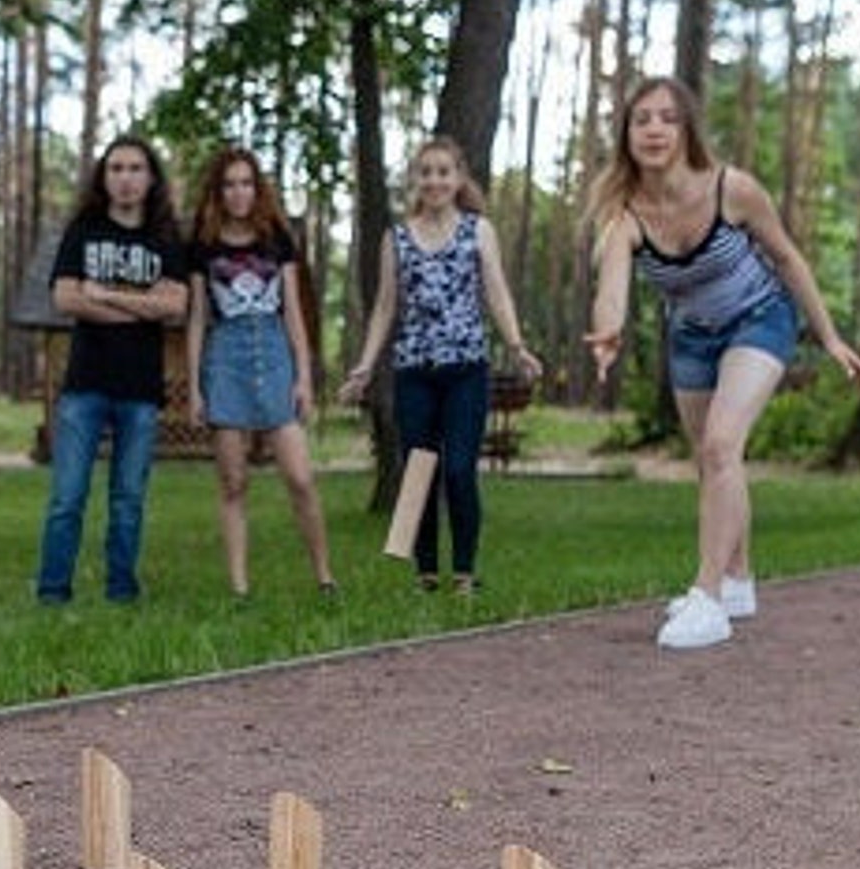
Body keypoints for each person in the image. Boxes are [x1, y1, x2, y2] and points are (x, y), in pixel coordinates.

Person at [585, 76, 860, 650]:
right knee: (710, 460)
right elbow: (612, 287)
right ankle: (738, 579)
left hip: (760, 320)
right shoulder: (624, 216)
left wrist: (831, 337)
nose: (655, 129)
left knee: (721, 446)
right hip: (692, 336)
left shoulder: (732, 189)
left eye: (667, 117)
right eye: (641, 119)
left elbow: (788, 258)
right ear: (626, 135)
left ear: (686, 128)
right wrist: (609, 330)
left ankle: (708, 597)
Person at [338, 136, 542, 594]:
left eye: (443, 172)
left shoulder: (478, 231)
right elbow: (386, 307)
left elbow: (497, 293)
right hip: (414, 371)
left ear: (459, 178)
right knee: (419, 470)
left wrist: (517, 345)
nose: (434, 180)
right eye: (426, 172)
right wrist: (365, 367)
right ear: (416, 179)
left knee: (458, 470)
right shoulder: (397, 237)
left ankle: (465, 573)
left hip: (466, 369)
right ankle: (426, 572)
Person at [35, 136, 189, 605]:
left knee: (128, 499)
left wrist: (105, 296)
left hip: (140, 389)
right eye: (116, 168)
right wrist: (143, 306)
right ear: (104, 177)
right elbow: (64, 298)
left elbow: (177, 305)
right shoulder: (84, 229)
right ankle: (53, 591)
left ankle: (121, 590)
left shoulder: (164, 237)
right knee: (67, 497)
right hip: (85, 385)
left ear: (150, 178)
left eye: (136, 168)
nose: (126, 178)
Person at [186, 146, 336, 600]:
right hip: (226, 357)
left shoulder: (276, 238)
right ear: (218, 191)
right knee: (233, 482)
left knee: (300, 478)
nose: (238, 193)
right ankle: (239, 588)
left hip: (272, 353)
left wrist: (303, 376)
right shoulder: (203, 244)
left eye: (246, 183)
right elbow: (197, 318)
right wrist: (195, 386)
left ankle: (325, 577)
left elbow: (293, 311)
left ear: (258, 188)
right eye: (229, 184)